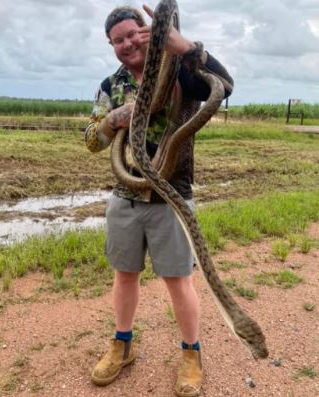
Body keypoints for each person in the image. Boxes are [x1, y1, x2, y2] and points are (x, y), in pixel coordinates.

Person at [84, 5, 233, 397]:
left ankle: (191, 353)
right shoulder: (110, 84)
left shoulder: (180, 69)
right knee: (124, 275)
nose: (128, 43)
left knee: (178, 281)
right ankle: (122, 344)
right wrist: (116, 118)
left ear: (151, 29)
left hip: (172, 197)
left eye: (134, 33)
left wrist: (185, 46)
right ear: (111, 45)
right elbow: (90, 141)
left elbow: (225, 84)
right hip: (125, 195)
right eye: (119, 40)